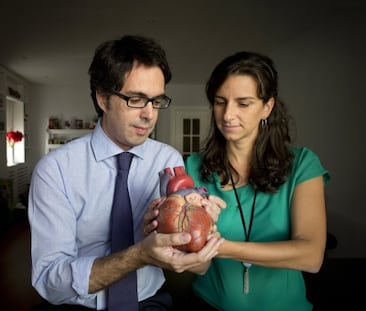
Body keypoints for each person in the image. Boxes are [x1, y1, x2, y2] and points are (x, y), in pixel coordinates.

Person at [28, 34, 225, 311]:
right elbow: (50, 280)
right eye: (136, 99)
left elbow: (198, 264)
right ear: (103, 98)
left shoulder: (167, 160)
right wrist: (139, 255)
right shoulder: (55, 170)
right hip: (76, 305)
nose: (149, 115)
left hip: (149, 302)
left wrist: (199, 232)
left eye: (156, 101)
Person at [150, 51, 329, 310]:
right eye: (220, 102)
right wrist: (178, 239)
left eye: (243, 103)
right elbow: (199, 266)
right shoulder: (193, 167)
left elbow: (311, 256)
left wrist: (216, 245)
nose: (228, 115)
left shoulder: (302, 164)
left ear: (267, 107)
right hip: (207, 305)